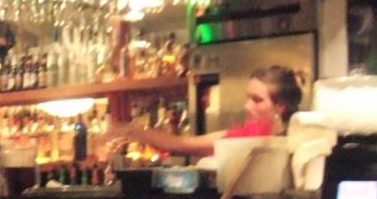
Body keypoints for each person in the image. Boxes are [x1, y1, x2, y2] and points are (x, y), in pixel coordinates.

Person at [110, 65, 304, 159]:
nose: (247, 106)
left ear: (280, 106)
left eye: (257, 100)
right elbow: (181, 143)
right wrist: (132, 131)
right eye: (248, 98)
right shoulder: (248, 136)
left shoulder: (293, 142)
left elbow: (181, 145)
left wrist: (130, 131)